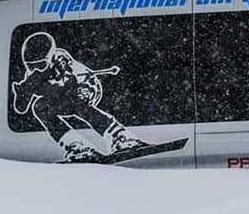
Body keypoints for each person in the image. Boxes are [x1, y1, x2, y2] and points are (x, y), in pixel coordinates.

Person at [11, 31, 149, 162]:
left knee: (76, 101)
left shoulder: (61, 59)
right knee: (39, 106)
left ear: (50, 58)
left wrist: (59, 75)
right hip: (61, 98)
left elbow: (70, 82)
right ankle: (76, 145)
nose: (36, 70)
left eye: (41, 65)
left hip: (86, 86)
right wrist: (21, 93)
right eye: (31, 66)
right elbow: (21, 108)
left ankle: (119, 136)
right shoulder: (32, 77)